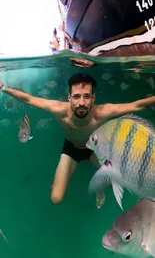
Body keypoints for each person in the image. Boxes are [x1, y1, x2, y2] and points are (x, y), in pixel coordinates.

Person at [0, 73, 155, 207]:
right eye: (76, 96)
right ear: (69, 98)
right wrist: (4, 88)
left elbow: (137, 105)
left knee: (114, 180)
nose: (81, 102)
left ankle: (98, 188)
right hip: (71, 149)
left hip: (95, 148)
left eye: (86, 96)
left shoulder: (102, 112)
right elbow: (28, 99)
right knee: (56, 198)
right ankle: (58, 182)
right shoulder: (59, 109)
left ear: (93, 97)